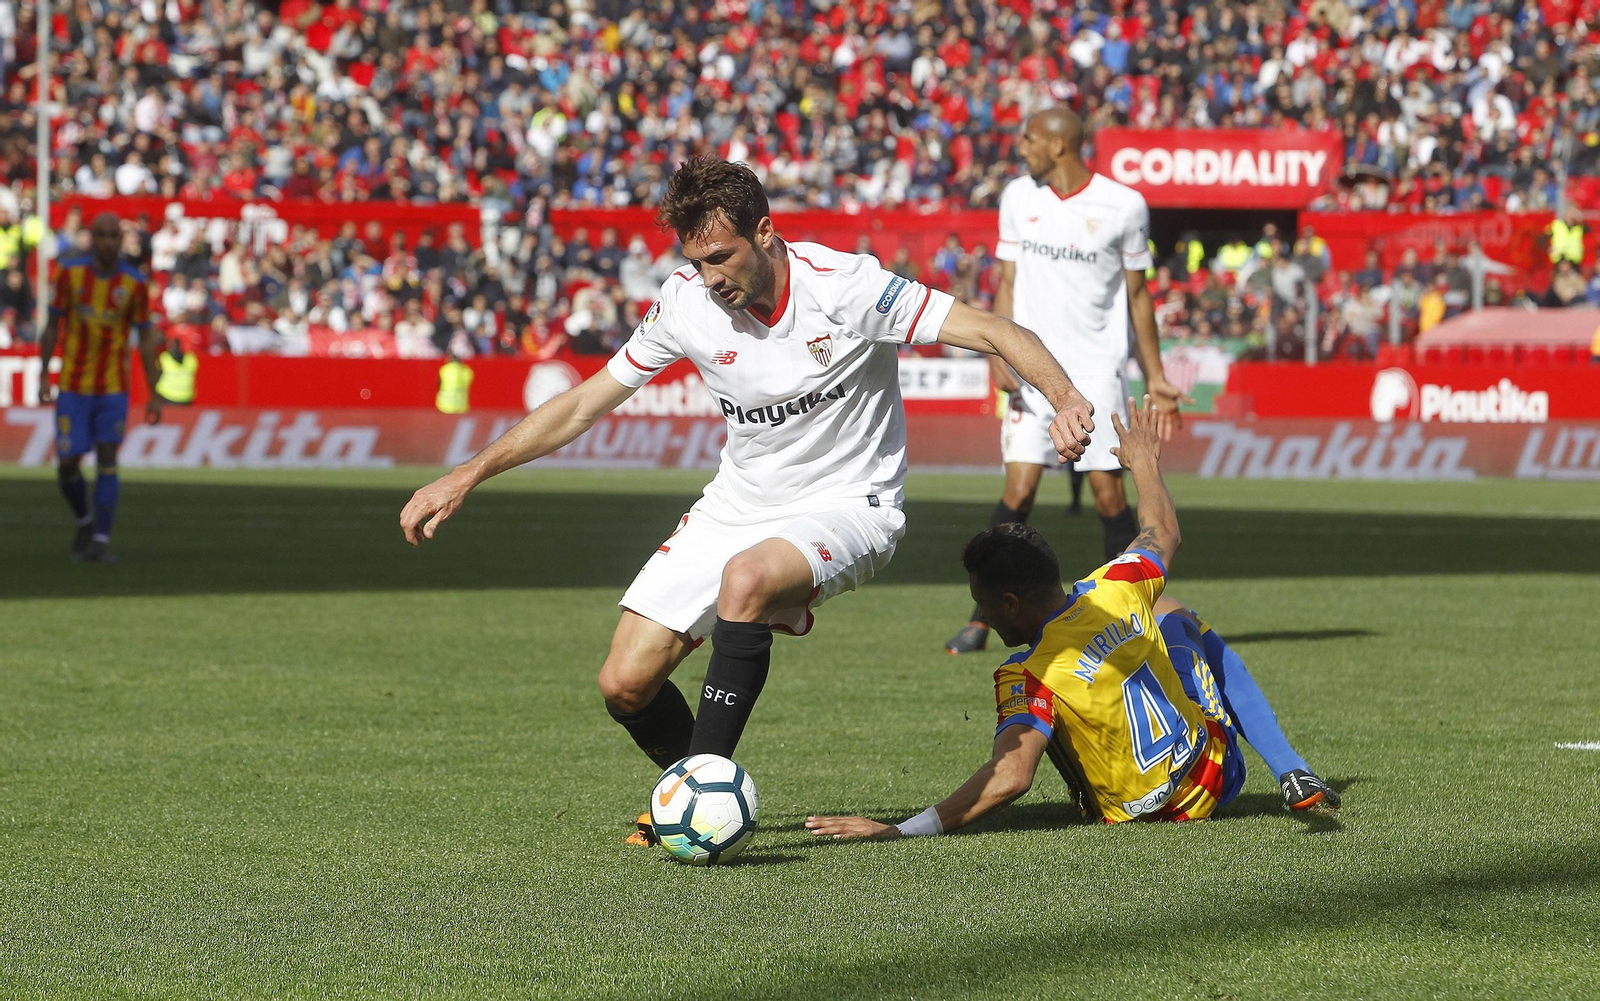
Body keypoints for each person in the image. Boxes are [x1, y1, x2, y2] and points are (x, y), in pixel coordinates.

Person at [398, 155, 1097, 844]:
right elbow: (583, 404)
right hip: (739, 503)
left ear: (765, 232)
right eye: (698, 262)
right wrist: (467, 473)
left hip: (854, 502)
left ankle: (698, 789)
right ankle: (705, 797)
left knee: (748, 579)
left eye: (722, 257)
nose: (710, 278)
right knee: (624, 682)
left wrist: (1064, 399)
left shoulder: (845, 287)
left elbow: (996, 331)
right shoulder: (684, 302)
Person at [806, 397, 1340, 842]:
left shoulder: (1028, 672)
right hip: (1209, 773)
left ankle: (1264, 766)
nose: (984, 615)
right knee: (1175, 616)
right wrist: (1145, 464)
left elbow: (1012, 778)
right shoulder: (1118, 587)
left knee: (1144, 639)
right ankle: (1291, 768)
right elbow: (1164, 533)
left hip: (1138, 812)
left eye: (983, 603)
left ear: (1011, 603)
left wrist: (900, 830)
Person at [944, 107, 1190, 656]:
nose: (1020, 145)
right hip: (1032, 369)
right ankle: (982, 619)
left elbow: (1138, 295)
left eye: (1028, 138)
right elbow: (1007, 280)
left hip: (1097, 371)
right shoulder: (1017, 198)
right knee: (1019, 491)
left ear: (1058, 146)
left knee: (1107, 494)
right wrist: (996, 349)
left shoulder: (1123, 205)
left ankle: (1124, 620)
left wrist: (1155, 373)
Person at [37, 213, 162, 563]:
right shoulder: (70, 275)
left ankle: (101, 541)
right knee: (67, 463)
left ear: (121, 241)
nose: (107, 242)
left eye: (113, 236)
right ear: (92, 238)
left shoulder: (134, 284)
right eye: (101, 235)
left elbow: (146, 338)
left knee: (108, 455)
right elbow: (52, 327)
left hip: (112, 387)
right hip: (73, 386)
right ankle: (85, 521)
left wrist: (153, 392)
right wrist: (44, 373)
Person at [154, 338, 197, 405]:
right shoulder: (191, 359)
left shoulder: (164, 358)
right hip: (186, 397)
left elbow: (155, 374)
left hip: (166, 396)